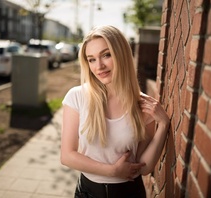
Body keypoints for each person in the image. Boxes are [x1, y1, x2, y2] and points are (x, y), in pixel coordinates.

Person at [61, 25, 170, 198]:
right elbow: (67, 156)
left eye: (106, 55)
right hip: (87, 193)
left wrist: (163, 125)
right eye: (92, 59)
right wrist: (112, 171)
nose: (99, 66)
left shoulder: (142, 104)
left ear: (121, 54)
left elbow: (144, 166)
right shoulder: (77, 97)